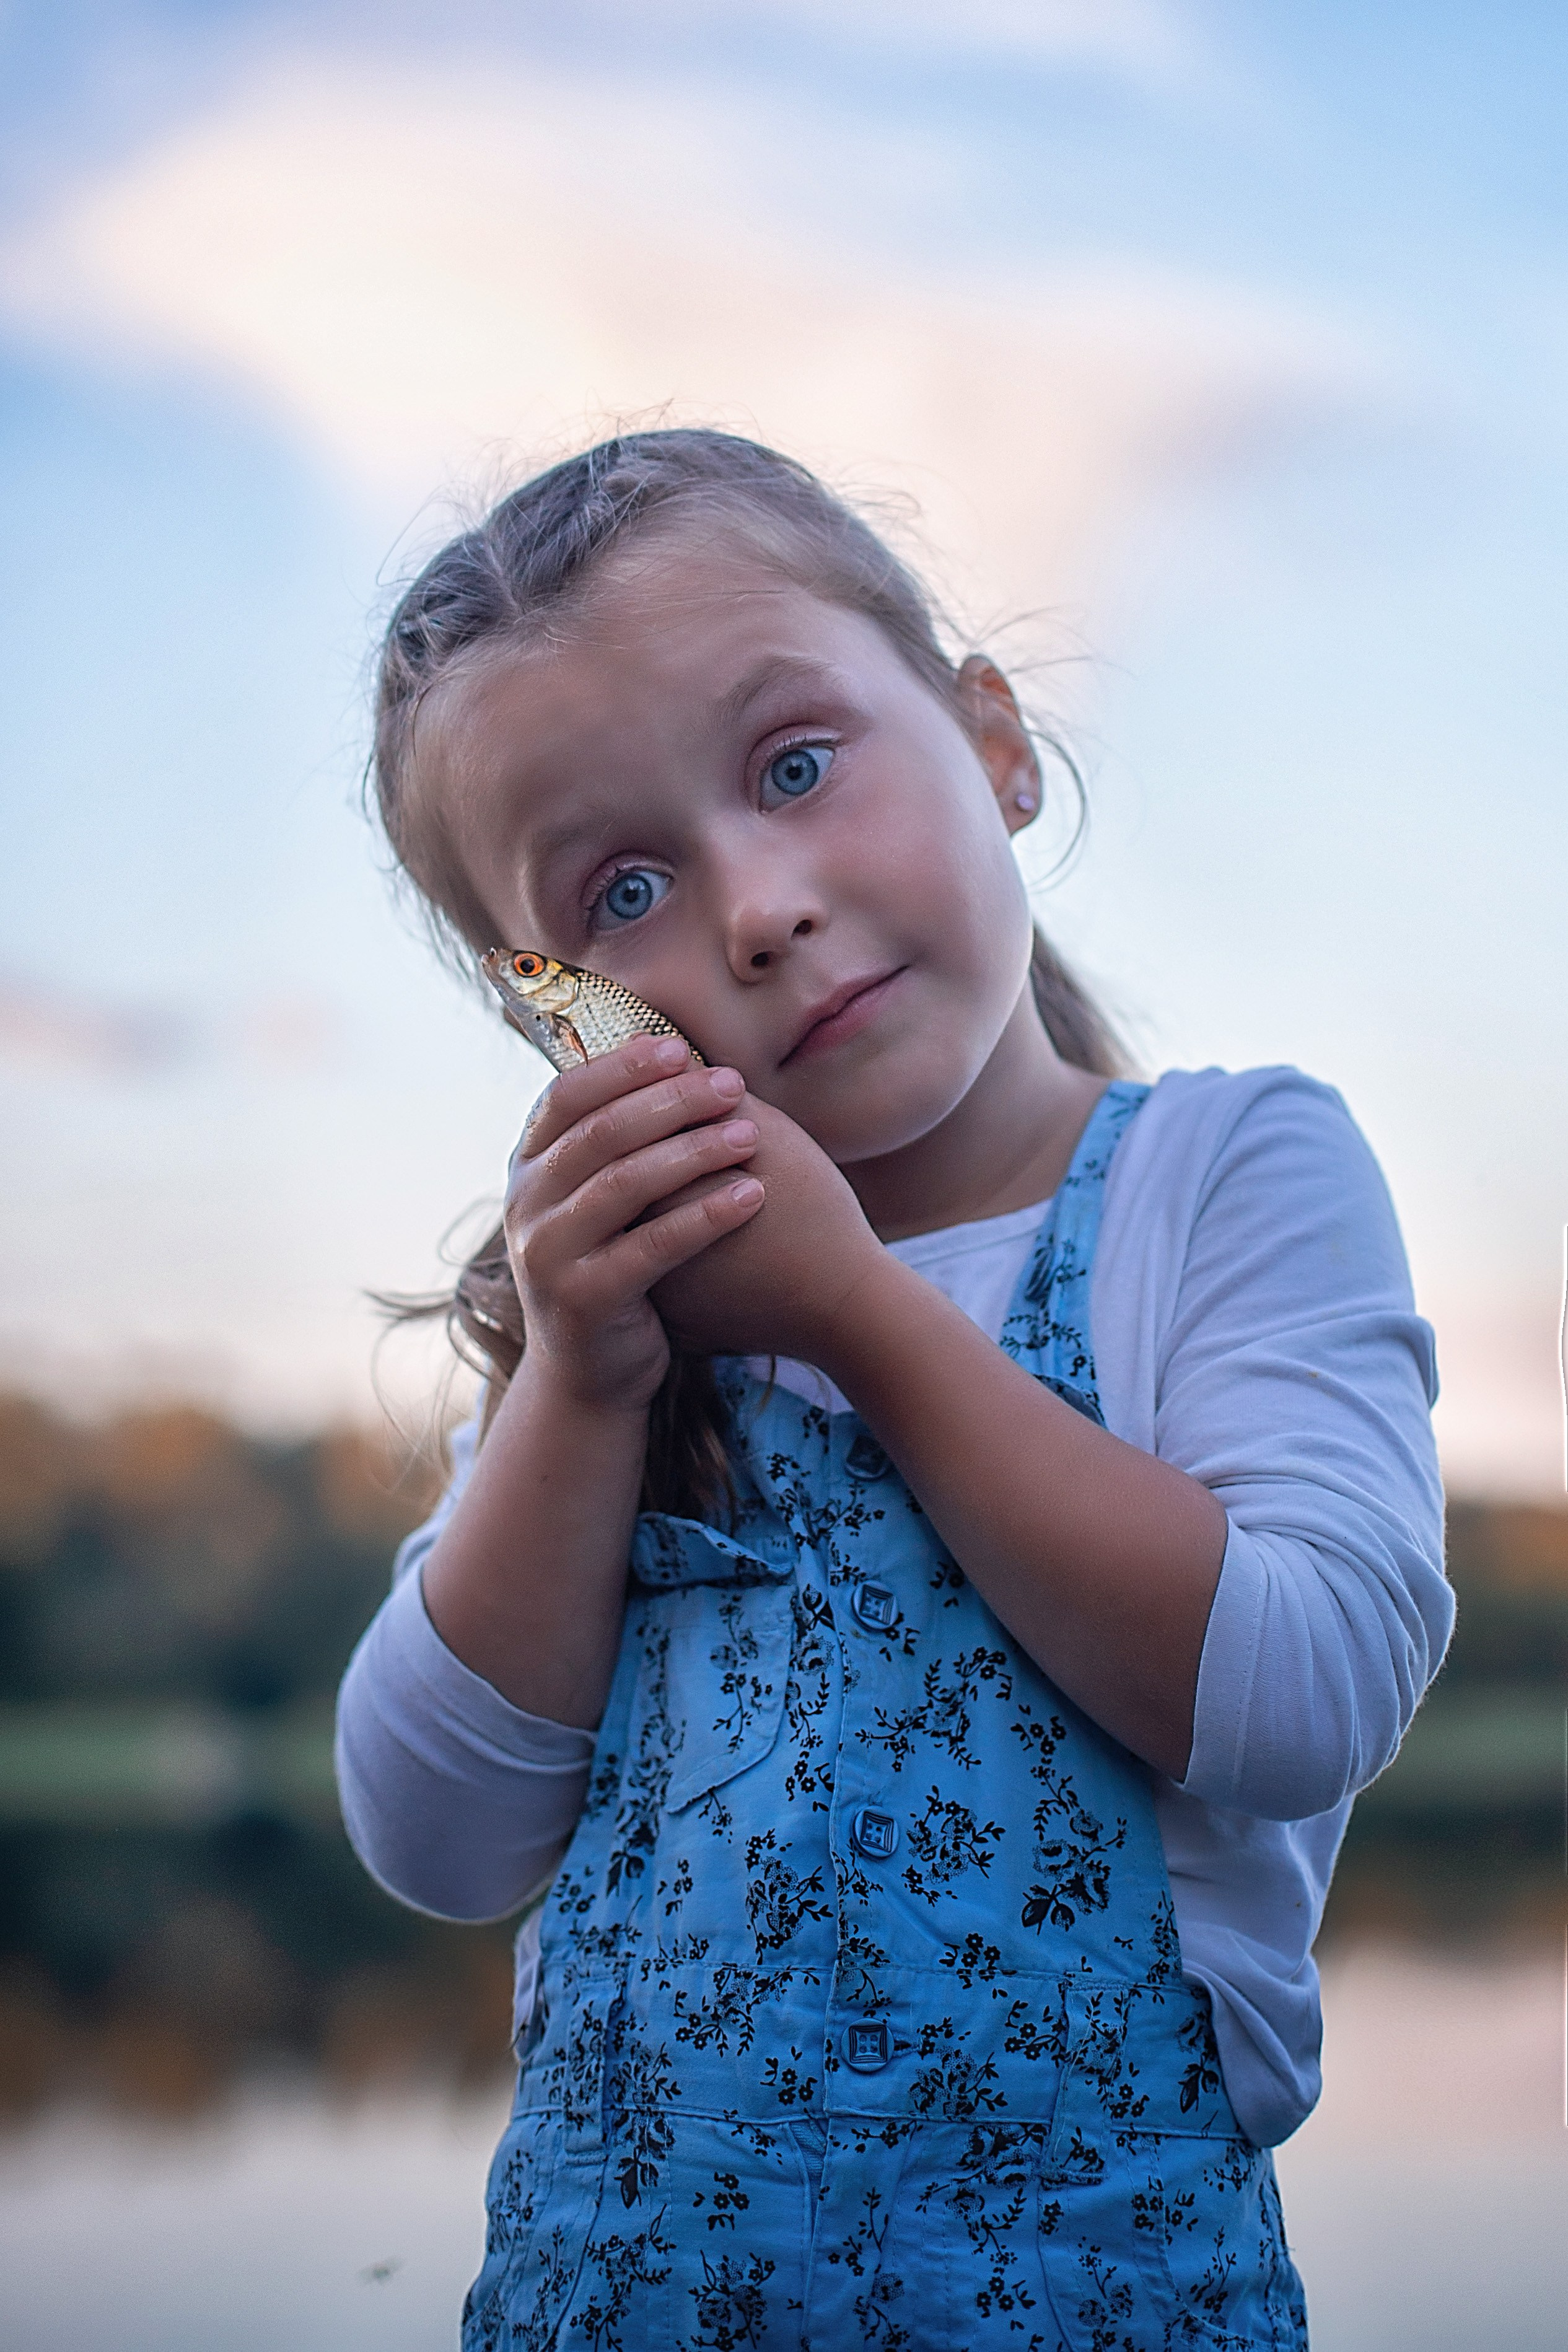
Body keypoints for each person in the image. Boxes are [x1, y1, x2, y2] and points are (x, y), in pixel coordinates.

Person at [335, 429, 1450, 2351]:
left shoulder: (1219, 1178)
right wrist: (583, 1384)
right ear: (554, 1011)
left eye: (792, 765)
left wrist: (858, 1315)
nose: (754, 905)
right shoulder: (614, 1338)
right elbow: (434, 1837)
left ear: (993, 743)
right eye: (619, 893)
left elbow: (1305, 1692)